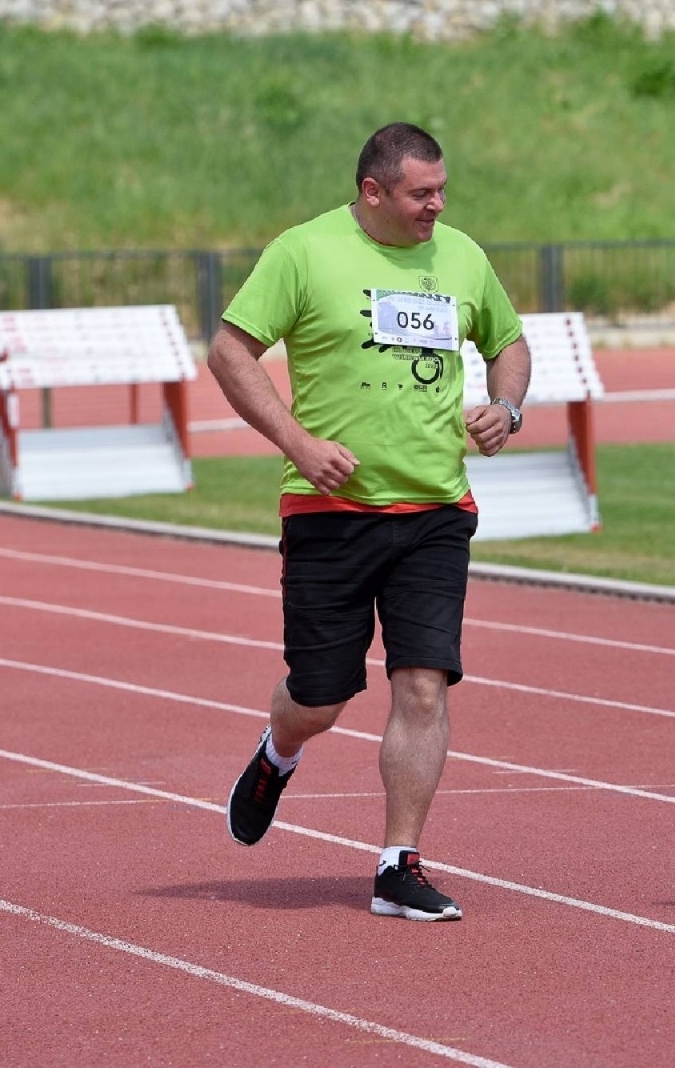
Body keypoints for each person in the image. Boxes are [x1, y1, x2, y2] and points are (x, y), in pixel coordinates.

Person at [207, 122, 531, 922]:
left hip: (435, 510)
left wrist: (507, 406)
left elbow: (510, 341)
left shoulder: (459, 254)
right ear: (373, 192)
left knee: (423, 685)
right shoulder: (303, 251)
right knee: (321, 696)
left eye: (443, 190)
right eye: (422, 193)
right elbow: (229, 351)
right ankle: (278, 753)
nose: (438, 206)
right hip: (330, 512)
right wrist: (299, 443)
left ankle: (398, 863)